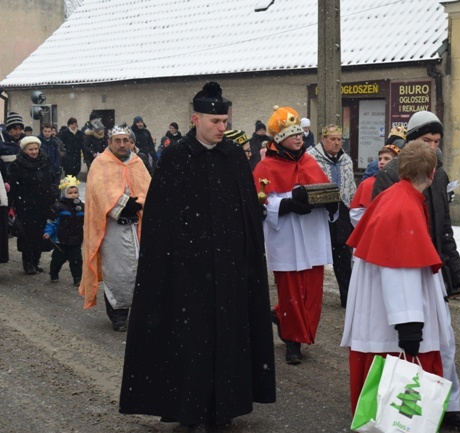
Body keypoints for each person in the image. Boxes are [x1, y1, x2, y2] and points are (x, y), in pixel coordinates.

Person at [120, 82, 275, 431]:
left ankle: (226, 407)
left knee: (229, 337)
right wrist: (170, 265)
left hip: (230, 269)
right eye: (216, 121)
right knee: (191, 340)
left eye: (225, 120)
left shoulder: (234, 156)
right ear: (196, 119)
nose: (222, 127)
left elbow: (248, 213)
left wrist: (248, 258)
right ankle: (189, 408)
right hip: (187, 272)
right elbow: (160, 220)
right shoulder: (175, 158)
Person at [372, 110, 460, 431]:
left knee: (445, 341)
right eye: (426, 140)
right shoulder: (390, 175)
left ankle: (450, 406)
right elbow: (382, 230)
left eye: (436, 141)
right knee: (411, 344)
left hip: (433, 271)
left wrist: (455, 271)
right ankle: (409, 408)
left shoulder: (439, 174)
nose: (432, 146)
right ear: (411, 141)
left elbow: (443, 227)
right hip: (406, 271)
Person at [341, 140, 449, 413]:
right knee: (398, 412)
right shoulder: (403, 207)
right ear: (432, 173)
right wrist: (409, 326)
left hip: (381, 312)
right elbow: (400, 268)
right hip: (393, 326)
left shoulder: (392, 196)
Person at [253, 105, 334, 365]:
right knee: (291, 293)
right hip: (286, 239)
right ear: (278, 139)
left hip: (311, 238)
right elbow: (260, 204)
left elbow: (325, 192)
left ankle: (286, 320)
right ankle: (292, 341)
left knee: (311, 294)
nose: (299, 137)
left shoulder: (311, 162)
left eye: (299, 132)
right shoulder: (266, 166)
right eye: (292, 133)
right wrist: (287, 204)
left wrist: (332, 203)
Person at [79, 124, 151, 331]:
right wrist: (120, 204)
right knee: (117, 271)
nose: (121, 144)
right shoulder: (101, 163)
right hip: (112, 227)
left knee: (139, 270)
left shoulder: (138, 163)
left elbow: (148, 186)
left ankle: (138, 312)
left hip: (136, 226)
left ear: (131, 142)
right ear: (110, 142)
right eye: (117, 141)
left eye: (125, 140)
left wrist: (139, 203)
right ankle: (118, 314)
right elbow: (98, 193)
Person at [308, 124, 357, 308]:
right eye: (333, 139)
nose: (337, 143)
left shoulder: (346, 160)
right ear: (323, 139)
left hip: (342, 211)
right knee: (315, 256)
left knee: (343, 256)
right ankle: (311, 299)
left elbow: (350, 185)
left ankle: (348, 298)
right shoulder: (311, 159)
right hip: (319, 211)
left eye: (339, 139)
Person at [7, 136, 57, 275]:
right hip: (25, 205)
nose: (34, 152)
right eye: (31, 149)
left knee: (42, 233)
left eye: (36, 149)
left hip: (43, 203)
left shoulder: (45, 161)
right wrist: (12, 204)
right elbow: (12, 186)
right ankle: (28, 262)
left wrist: (53, 193)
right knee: (27, 235)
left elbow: (52, 178)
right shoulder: (17, 165)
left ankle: (36, 260)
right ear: (24, 150)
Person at [43, 175, 84, 285]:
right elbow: (52, 222)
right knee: (57, 260)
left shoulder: (81, 207)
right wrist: (48, 232)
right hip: (61, 240)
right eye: (70, 193)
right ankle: (54, 274)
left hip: (76, 240)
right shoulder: (58, 207)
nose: (73, 195)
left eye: (75, 192)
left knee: (76, 261)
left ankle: (77, 278)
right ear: (64, 193)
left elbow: (87, 222)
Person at [349, 144, 399, 226]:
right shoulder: (367, 184)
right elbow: (356, 213)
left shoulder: (403, 184)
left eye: (386, 159)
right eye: (380, 159)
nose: (381, 162)